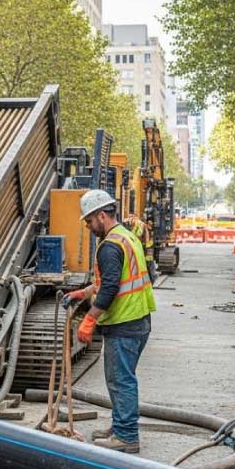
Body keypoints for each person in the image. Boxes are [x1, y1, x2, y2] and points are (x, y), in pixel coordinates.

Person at [64, 189, 156, 454]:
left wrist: (89, 320)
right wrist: (83, 292)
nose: (88, 226)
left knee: (120, 381)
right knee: (121, 378)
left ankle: (126, 436)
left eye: (90, 221)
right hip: (139, 319)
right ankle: (119, 427)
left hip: (124, 323)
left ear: (102, 215)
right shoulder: (128, 238)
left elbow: (111, 287)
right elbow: (112, 280)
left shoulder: (109, 246)